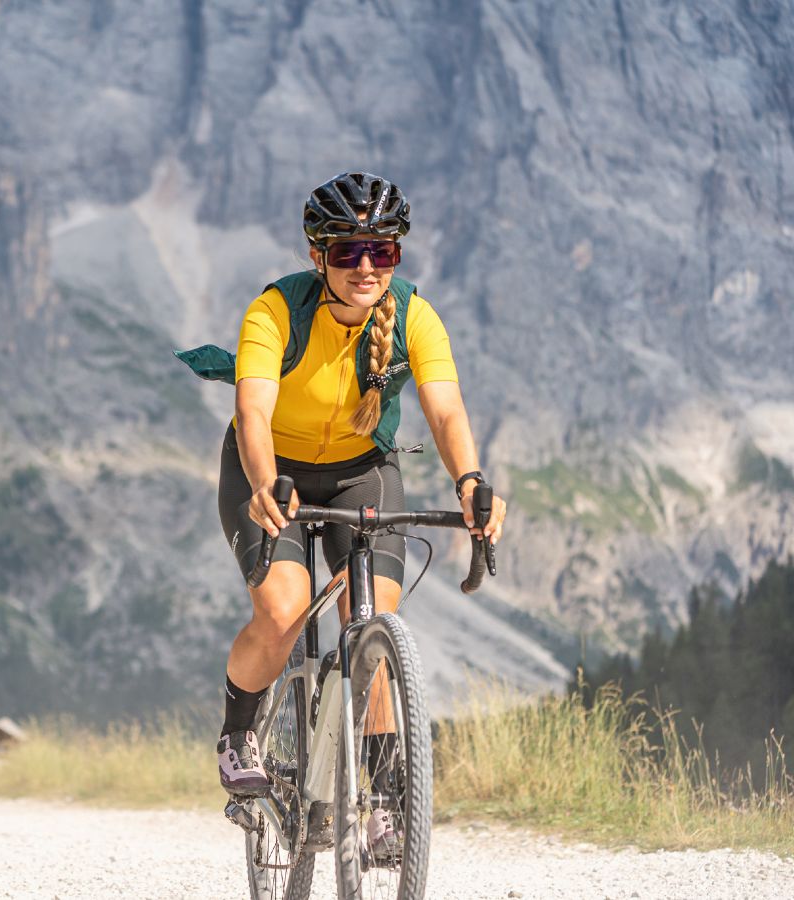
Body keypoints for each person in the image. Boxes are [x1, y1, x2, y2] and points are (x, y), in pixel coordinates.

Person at [178, 171, 507, 849]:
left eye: (381, 251)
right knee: (282, 610)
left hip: (364, 472)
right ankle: (240, 731)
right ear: (315, 253)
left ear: (397, 255)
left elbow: (445, 408)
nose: (365, 266)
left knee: (375, 626)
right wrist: (268, 482)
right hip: (269, 467)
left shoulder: (415, 315)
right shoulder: (274, 311)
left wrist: (471, 481)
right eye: (347, 250)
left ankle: (385, 800)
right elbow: (252, 411)